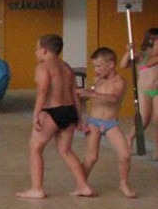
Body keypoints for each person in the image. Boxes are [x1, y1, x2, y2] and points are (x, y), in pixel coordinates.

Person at [16, 34, 95, 199]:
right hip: (70, 111)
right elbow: (74, 92)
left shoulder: (43, 67)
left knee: (35, 148)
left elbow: (43, 91)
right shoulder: (67, 67)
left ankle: (36, 189)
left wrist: (36, 114)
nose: (36, 53)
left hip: (52, 111)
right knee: (65, 150)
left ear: (44, 50)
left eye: (37, 49)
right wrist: (79, 117)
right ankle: (84, 186)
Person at [78, 47, 137, 198]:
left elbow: (114, 98)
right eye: (94, 66)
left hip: (111, 123)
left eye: (98, 66)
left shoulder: (120, 82)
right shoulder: (97, 80)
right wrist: (81, 97)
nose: (96, 70)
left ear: (110, 65)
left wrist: (92, 93)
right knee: (91, 157)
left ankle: (123, 184)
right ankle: (81, 185)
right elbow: (88, 98)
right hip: (93, 122)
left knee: (125, 155)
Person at [120, 27, 158, 154]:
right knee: (144, 120)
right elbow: (123, 65)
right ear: (151, 42)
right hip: (144, 92)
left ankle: (157, 146)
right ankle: (129, 138)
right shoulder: (142, 56)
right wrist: (128, 52)